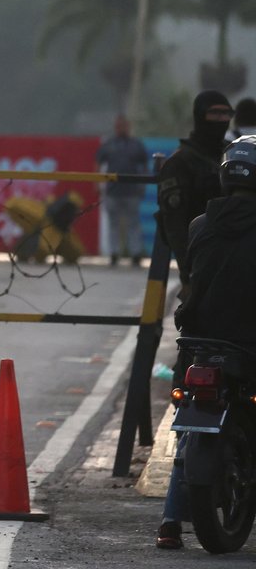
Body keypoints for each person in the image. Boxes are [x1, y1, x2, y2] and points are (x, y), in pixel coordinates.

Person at [158, 134, 256, 550]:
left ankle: (169, 521)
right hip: (247, 343)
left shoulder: (200, 225)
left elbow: (194, 277)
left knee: (187, 429)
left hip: (200, 342)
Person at [156, 91, 233, 293]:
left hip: (238, 261)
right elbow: (175, 227)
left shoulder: (234, 156)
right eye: (214, 113)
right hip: (200, 264)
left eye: (226, 114)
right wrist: (188, 271)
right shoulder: (180, 163)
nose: (221, 120)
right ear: (200, 115)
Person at [96, 115, 150, 265]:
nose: (122, 129)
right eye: (119, 126)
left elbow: (144, 165)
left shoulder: (136, 145)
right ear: (116, 127)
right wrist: (97, 184)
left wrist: (143, 184)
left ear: (129, 127)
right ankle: (113, 253)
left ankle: (135, 253)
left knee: (133, 223)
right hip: (113, 191)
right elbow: (98, 162)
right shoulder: (109, 144)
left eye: (124, 126)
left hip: (132, 191)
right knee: (113, 223)